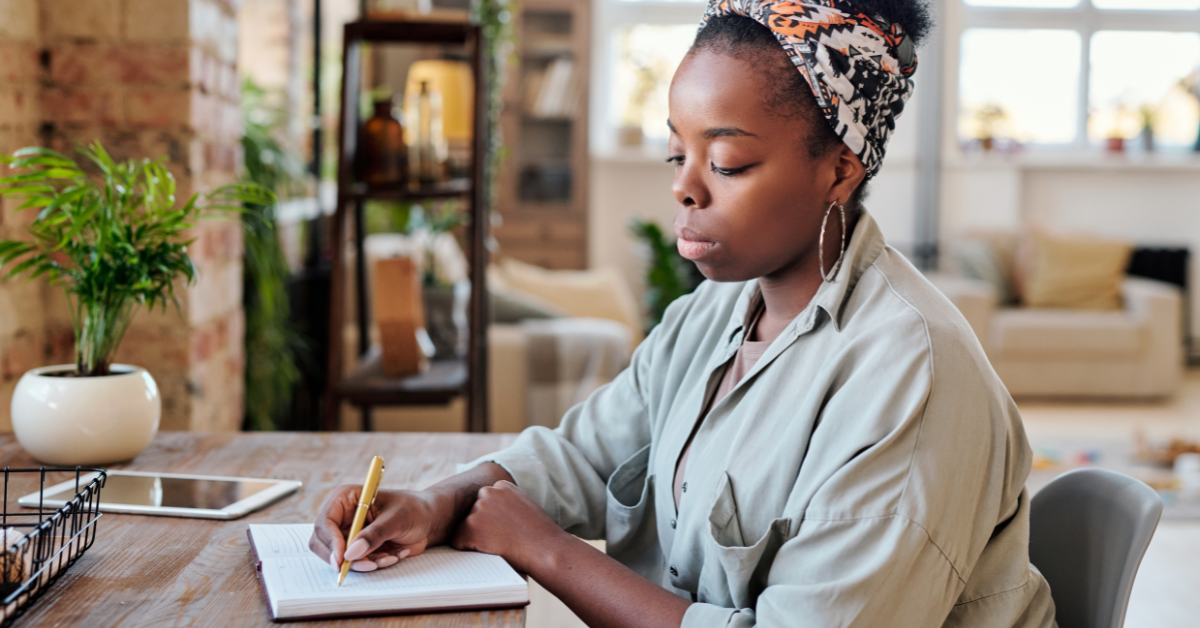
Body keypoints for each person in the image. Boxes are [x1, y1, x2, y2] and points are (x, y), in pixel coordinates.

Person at [310, 1, 1057, 626]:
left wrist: (547, 550)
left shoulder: (911, 376)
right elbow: (585, 454)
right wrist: (432, 502)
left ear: (839, 169)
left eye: (727, 164)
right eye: (678, 156)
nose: (686, 188)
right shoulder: (716, 312)